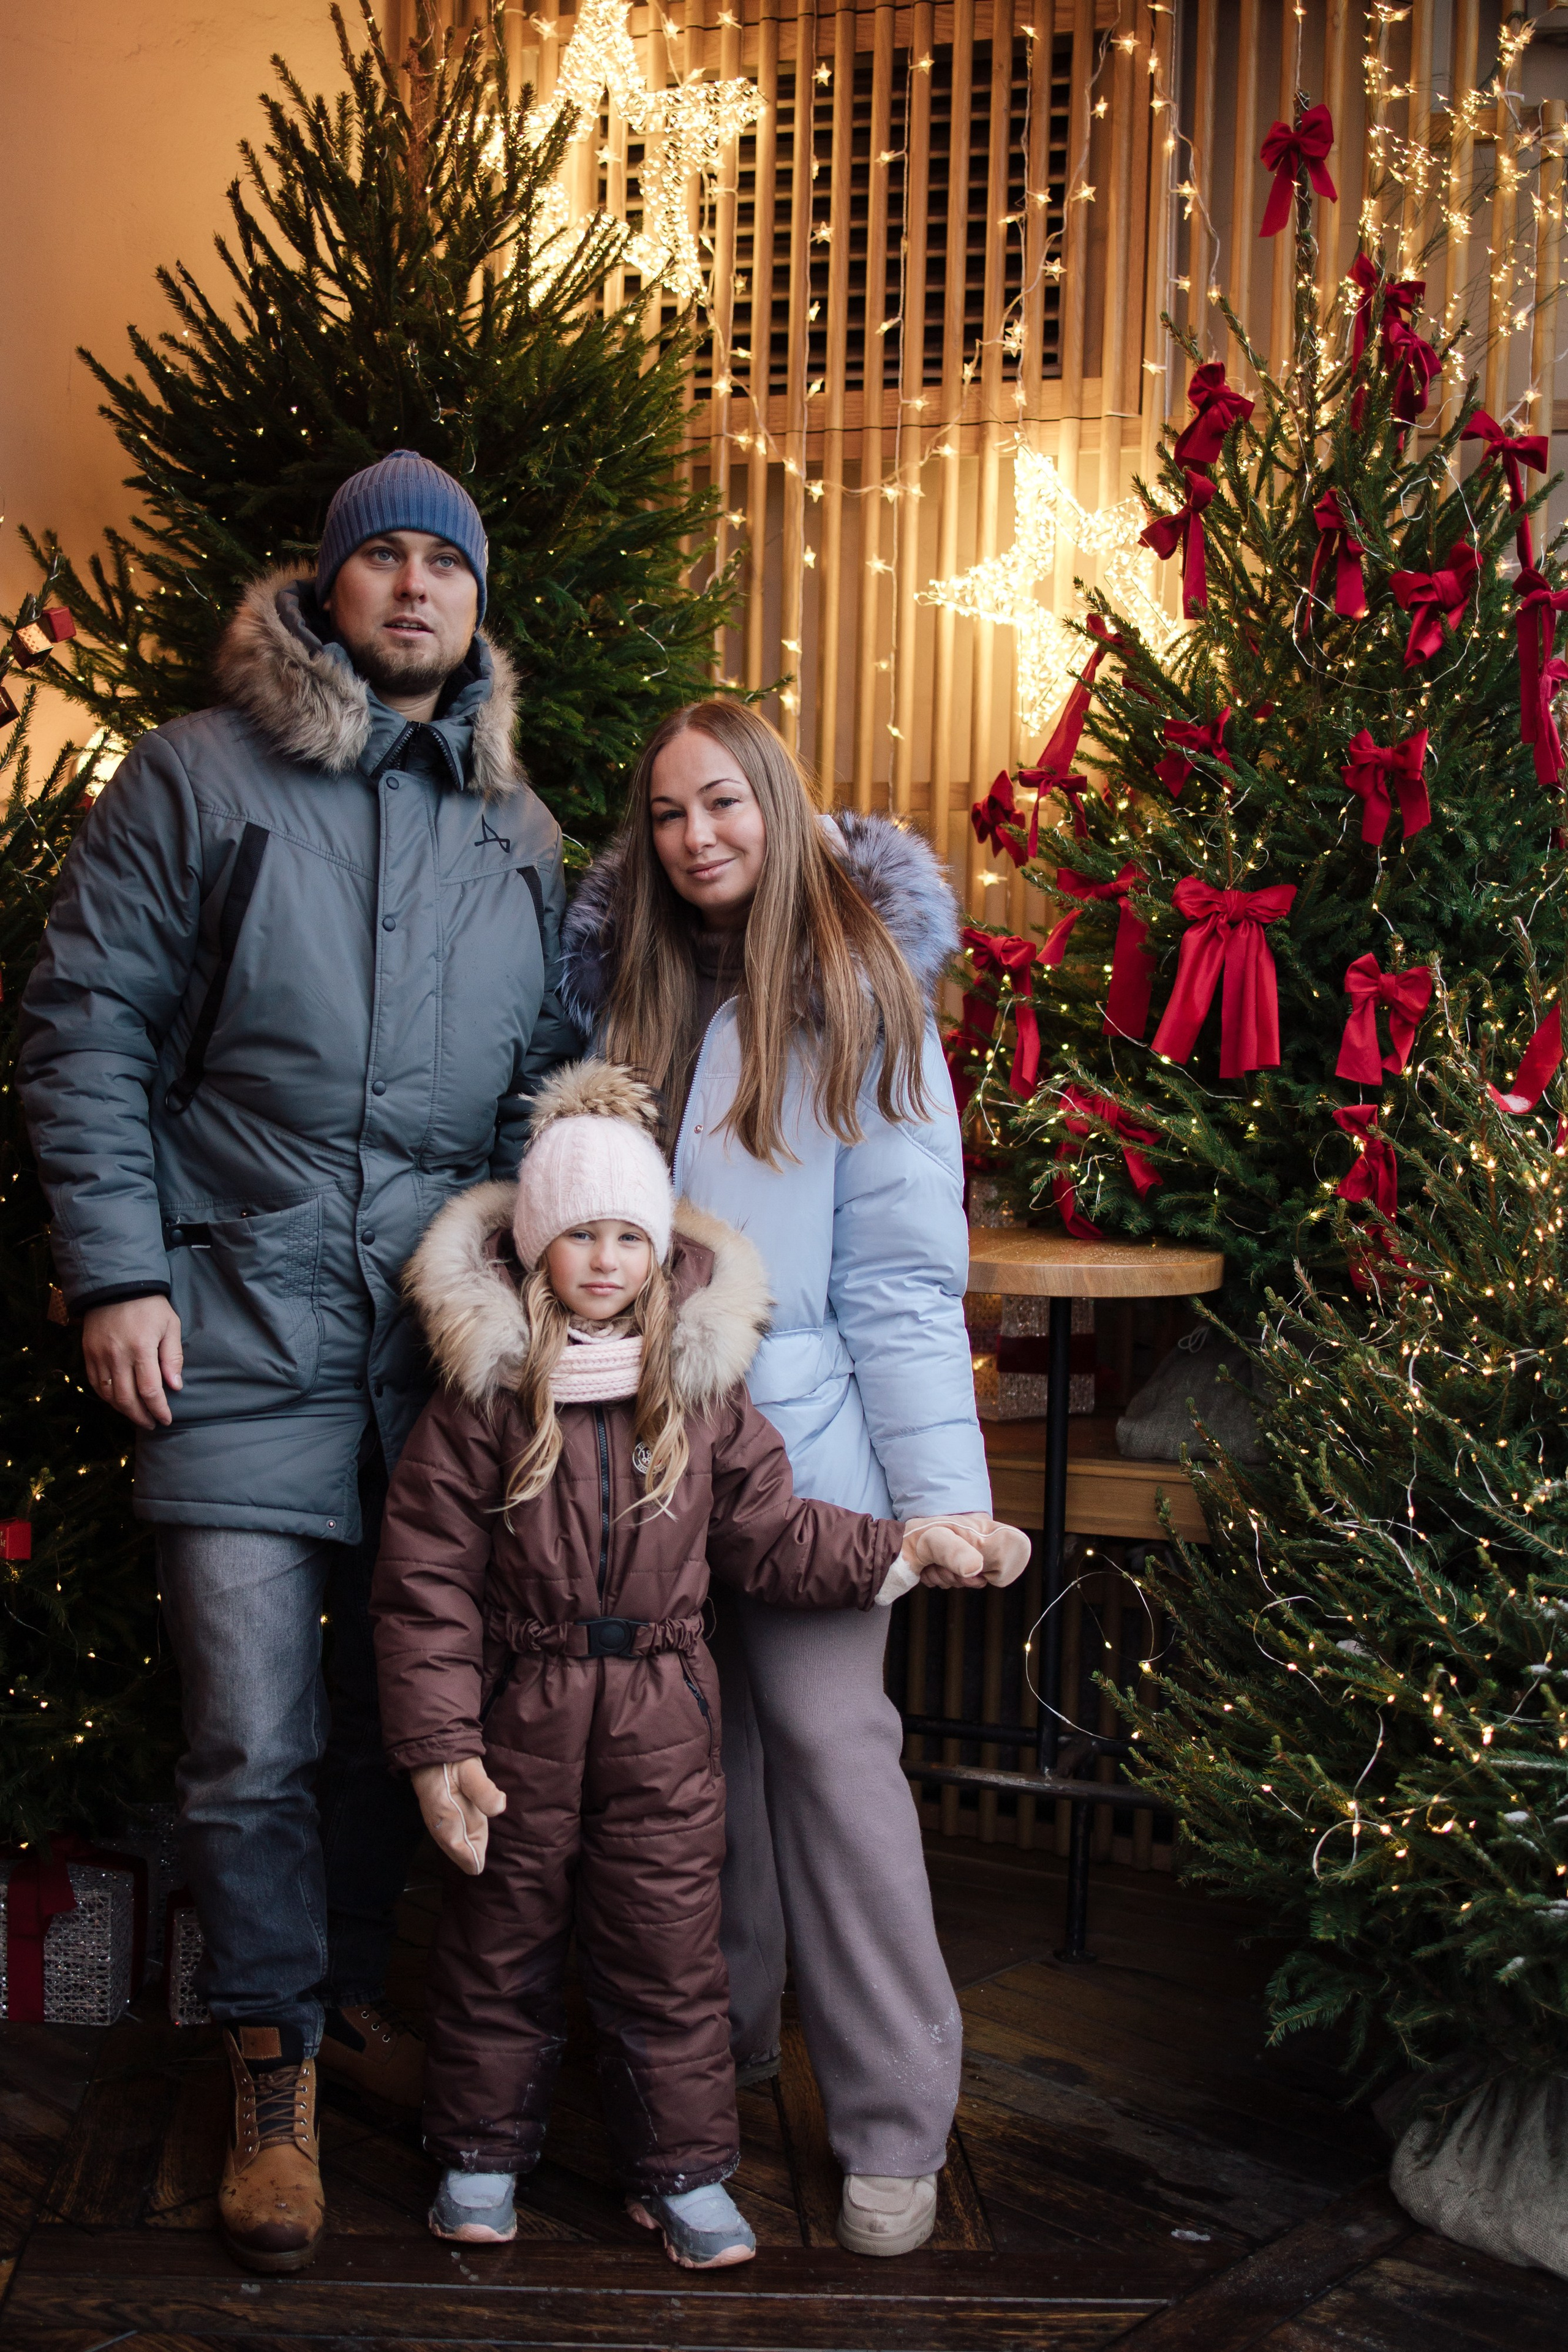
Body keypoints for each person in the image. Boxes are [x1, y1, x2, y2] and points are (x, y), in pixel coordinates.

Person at [18, 448, 578, 2276]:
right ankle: (269, 2073)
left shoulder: (523, 835)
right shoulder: (196, 777)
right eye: (383, 559)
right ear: (327, 588)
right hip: (236, 1317)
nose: (415, 587)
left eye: (446, 563)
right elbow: (88, 1021)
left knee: (381, 1730)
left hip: (429, 1355)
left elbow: (528, 1109)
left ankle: (330, 2012)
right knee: (250, 1730)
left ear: (475, 604)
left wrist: (530, 1328)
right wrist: (118, 1273)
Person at [370, 1062, 1025, 2262]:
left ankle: (679, 2172)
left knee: (668, 1948)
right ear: (533, 1253)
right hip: (523, 1710)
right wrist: (439, 1743)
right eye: (580, 1236)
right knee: (495, 1940)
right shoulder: (480, 1406)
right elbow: (424, 1587)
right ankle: (478, 2156)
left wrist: (902, 1545)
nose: (608, 1259)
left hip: (661, 1724)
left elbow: (776, 1538)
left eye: (630, 1234)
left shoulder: (702, 1403)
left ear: (663, 1249)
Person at [559, 703, 1001, 2258]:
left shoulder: (859, 994)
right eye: (668, 812)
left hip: (809, 1459)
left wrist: (938, 1497)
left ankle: (893, 2120)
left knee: (826, 1748)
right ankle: (718, 2061)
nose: (698, 837)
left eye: (725, 801)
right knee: (695, 1769)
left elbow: (898, 1275)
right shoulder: (623, 991)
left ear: (780, 803)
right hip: (645, 1463)